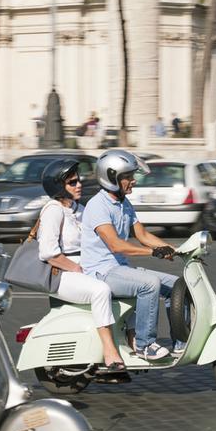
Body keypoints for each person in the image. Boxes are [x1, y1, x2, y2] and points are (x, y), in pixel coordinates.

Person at [81, 150, 180, 360]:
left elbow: (142, 234)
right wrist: (154, 252)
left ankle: (180, 342)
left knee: (176, 285)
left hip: (120, 270)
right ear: (111, 178)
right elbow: (116, 245)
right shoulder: (97, 206)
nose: (133, 181)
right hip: (101, 272)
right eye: (128, 177)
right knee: (149, 284)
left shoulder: (124, 204)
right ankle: (145, 345)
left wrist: (175, 250)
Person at [36, 159, 124, 372]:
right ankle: (109, 350)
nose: (79, 185)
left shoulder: (80, 208)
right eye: (72, 182)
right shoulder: (53, 210)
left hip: (85, 267)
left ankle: (131, 342)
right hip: (61, 273)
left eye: (79, 180)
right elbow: (48, 253)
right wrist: (75, 268)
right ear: (58, 187)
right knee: (101, 290)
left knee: (128, 281)